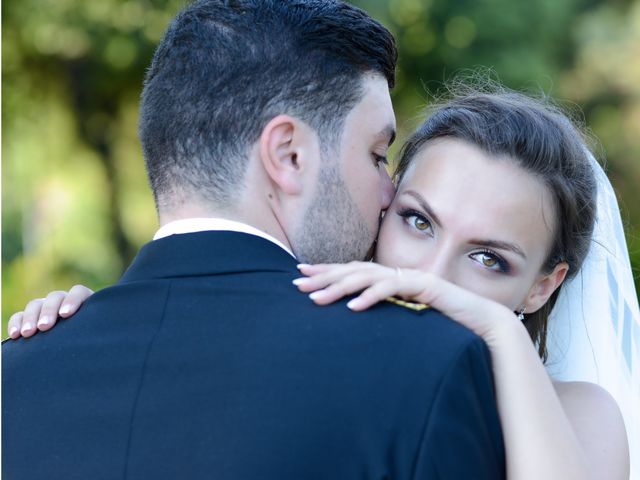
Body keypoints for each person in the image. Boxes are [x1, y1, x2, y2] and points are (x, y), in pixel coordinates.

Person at [12, 87, 636, 479]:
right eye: (419, 222)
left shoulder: (583, 414)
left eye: (488, 259)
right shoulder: (309, 351)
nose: (431, 275)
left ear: (543, 287)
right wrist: (101, 327)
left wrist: (499, 332)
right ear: (384, 205)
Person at [1, 1, 506, 479]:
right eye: (377, 155)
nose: (388, 194)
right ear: (288, 155)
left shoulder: (15, 374)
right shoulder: (426, 363)